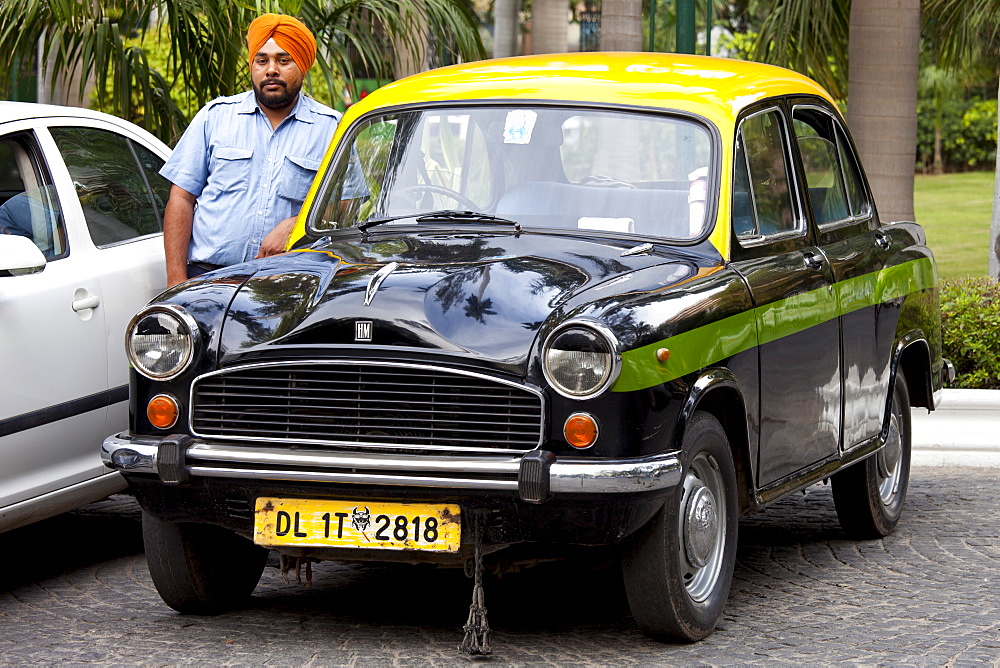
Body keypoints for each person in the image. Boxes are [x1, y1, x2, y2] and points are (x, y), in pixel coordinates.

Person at [159, 13, 348, 287]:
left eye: (284, 60)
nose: (271, 70)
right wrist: (176, 280)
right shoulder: (215, 117)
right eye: (262, 61)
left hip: (289, 283)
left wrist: (296, 224)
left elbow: (345, 203)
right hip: (209, 280)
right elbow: (181, 199)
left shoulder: (331, 129)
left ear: (303, 66)